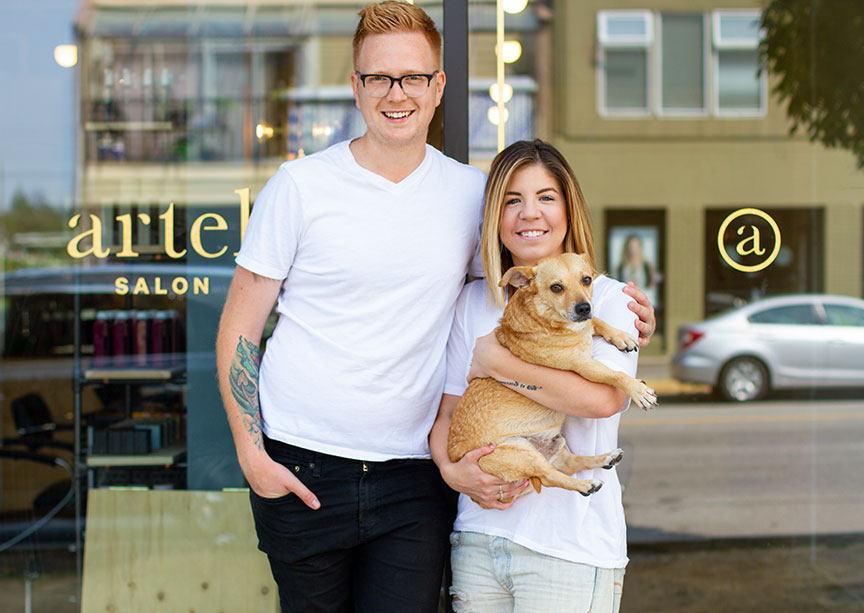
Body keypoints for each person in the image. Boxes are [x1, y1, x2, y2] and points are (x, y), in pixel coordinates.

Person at [216, 3, 655, 611]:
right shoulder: (299, 188)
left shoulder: (472, 196)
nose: (397, 94)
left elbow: (532, 289)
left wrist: (614, 316)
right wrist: (251, 455)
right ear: (356, 86)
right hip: (303, 467)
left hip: (413, 477)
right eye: (379, 77)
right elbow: (240, 326)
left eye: (414, 77)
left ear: (439, 85)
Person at [430, 140, 642, 613]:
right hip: (478, 540)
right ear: (494, 217)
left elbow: (601, 400)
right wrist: (452, 471)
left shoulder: (607, 300)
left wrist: (496, 364)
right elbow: (446, 415)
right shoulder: (472, 302)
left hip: (570, 548)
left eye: (546, 197)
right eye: (512, 200)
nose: (530, 214)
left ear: (569, 210)